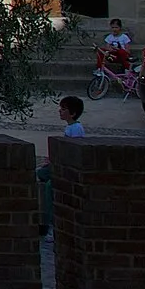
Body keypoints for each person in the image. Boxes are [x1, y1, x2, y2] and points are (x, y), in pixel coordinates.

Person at [38, 95, 86, 234]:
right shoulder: (71, 127)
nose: (60, 111)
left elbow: (72, 151)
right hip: (60, 164)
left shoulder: (75, 129)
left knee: (48, 187)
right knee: (40, 173)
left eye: (63, 109)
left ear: (72, 113)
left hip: (67, 168)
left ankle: (50, 224)